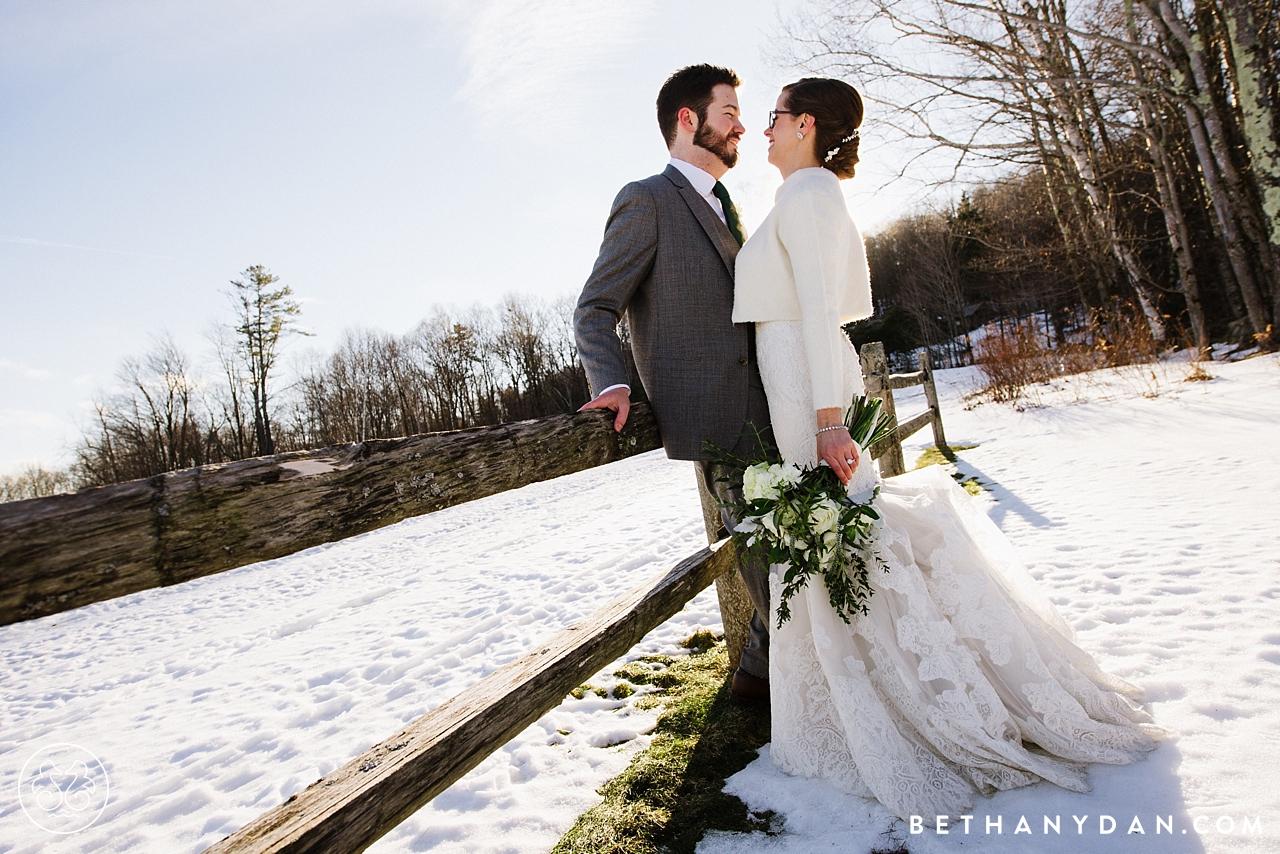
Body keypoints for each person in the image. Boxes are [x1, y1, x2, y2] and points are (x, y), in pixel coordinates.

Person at [731, 76, 1162, 821]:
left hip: (806, 379)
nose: (763, 131)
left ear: (804, 124)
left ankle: (907, 705)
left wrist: (829, 419)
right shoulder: (810, 194)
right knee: (842, 522)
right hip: (800, 369)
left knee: (837, 523)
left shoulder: (805, 197)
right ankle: (881, 685)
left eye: (772, 118)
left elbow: (810, 308)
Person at [573, 65, 774, 702]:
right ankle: (775, 688)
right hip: (714, 418)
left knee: (788, 552)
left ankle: (764, 678)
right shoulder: (646, 200)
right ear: (688, 120)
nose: (741, 124)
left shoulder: (726, 204)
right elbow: (595, 308)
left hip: (770, 404)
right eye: (729, 112)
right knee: (769, 564)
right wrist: (612, 383)